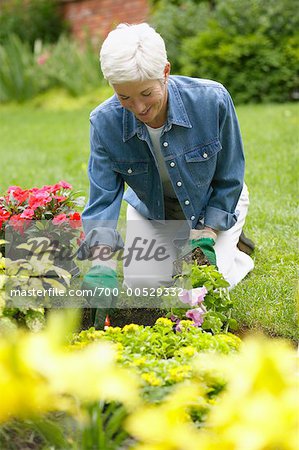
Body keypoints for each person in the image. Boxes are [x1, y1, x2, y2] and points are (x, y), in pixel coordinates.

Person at [80, 23, 254, 328]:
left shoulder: (212, 100)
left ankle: (236, 252)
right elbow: (103, 200)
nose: (139, 107)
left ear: (165, 71)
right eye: (124, 98)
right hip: (153, 210)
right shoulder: (104, 123)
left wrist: (208, 232)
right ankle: (187, 244)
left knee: (205, 288)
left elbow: (229, 176)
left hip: (212, 204)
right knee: (143, 289)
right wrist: (101, 260)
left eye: (146, 93)